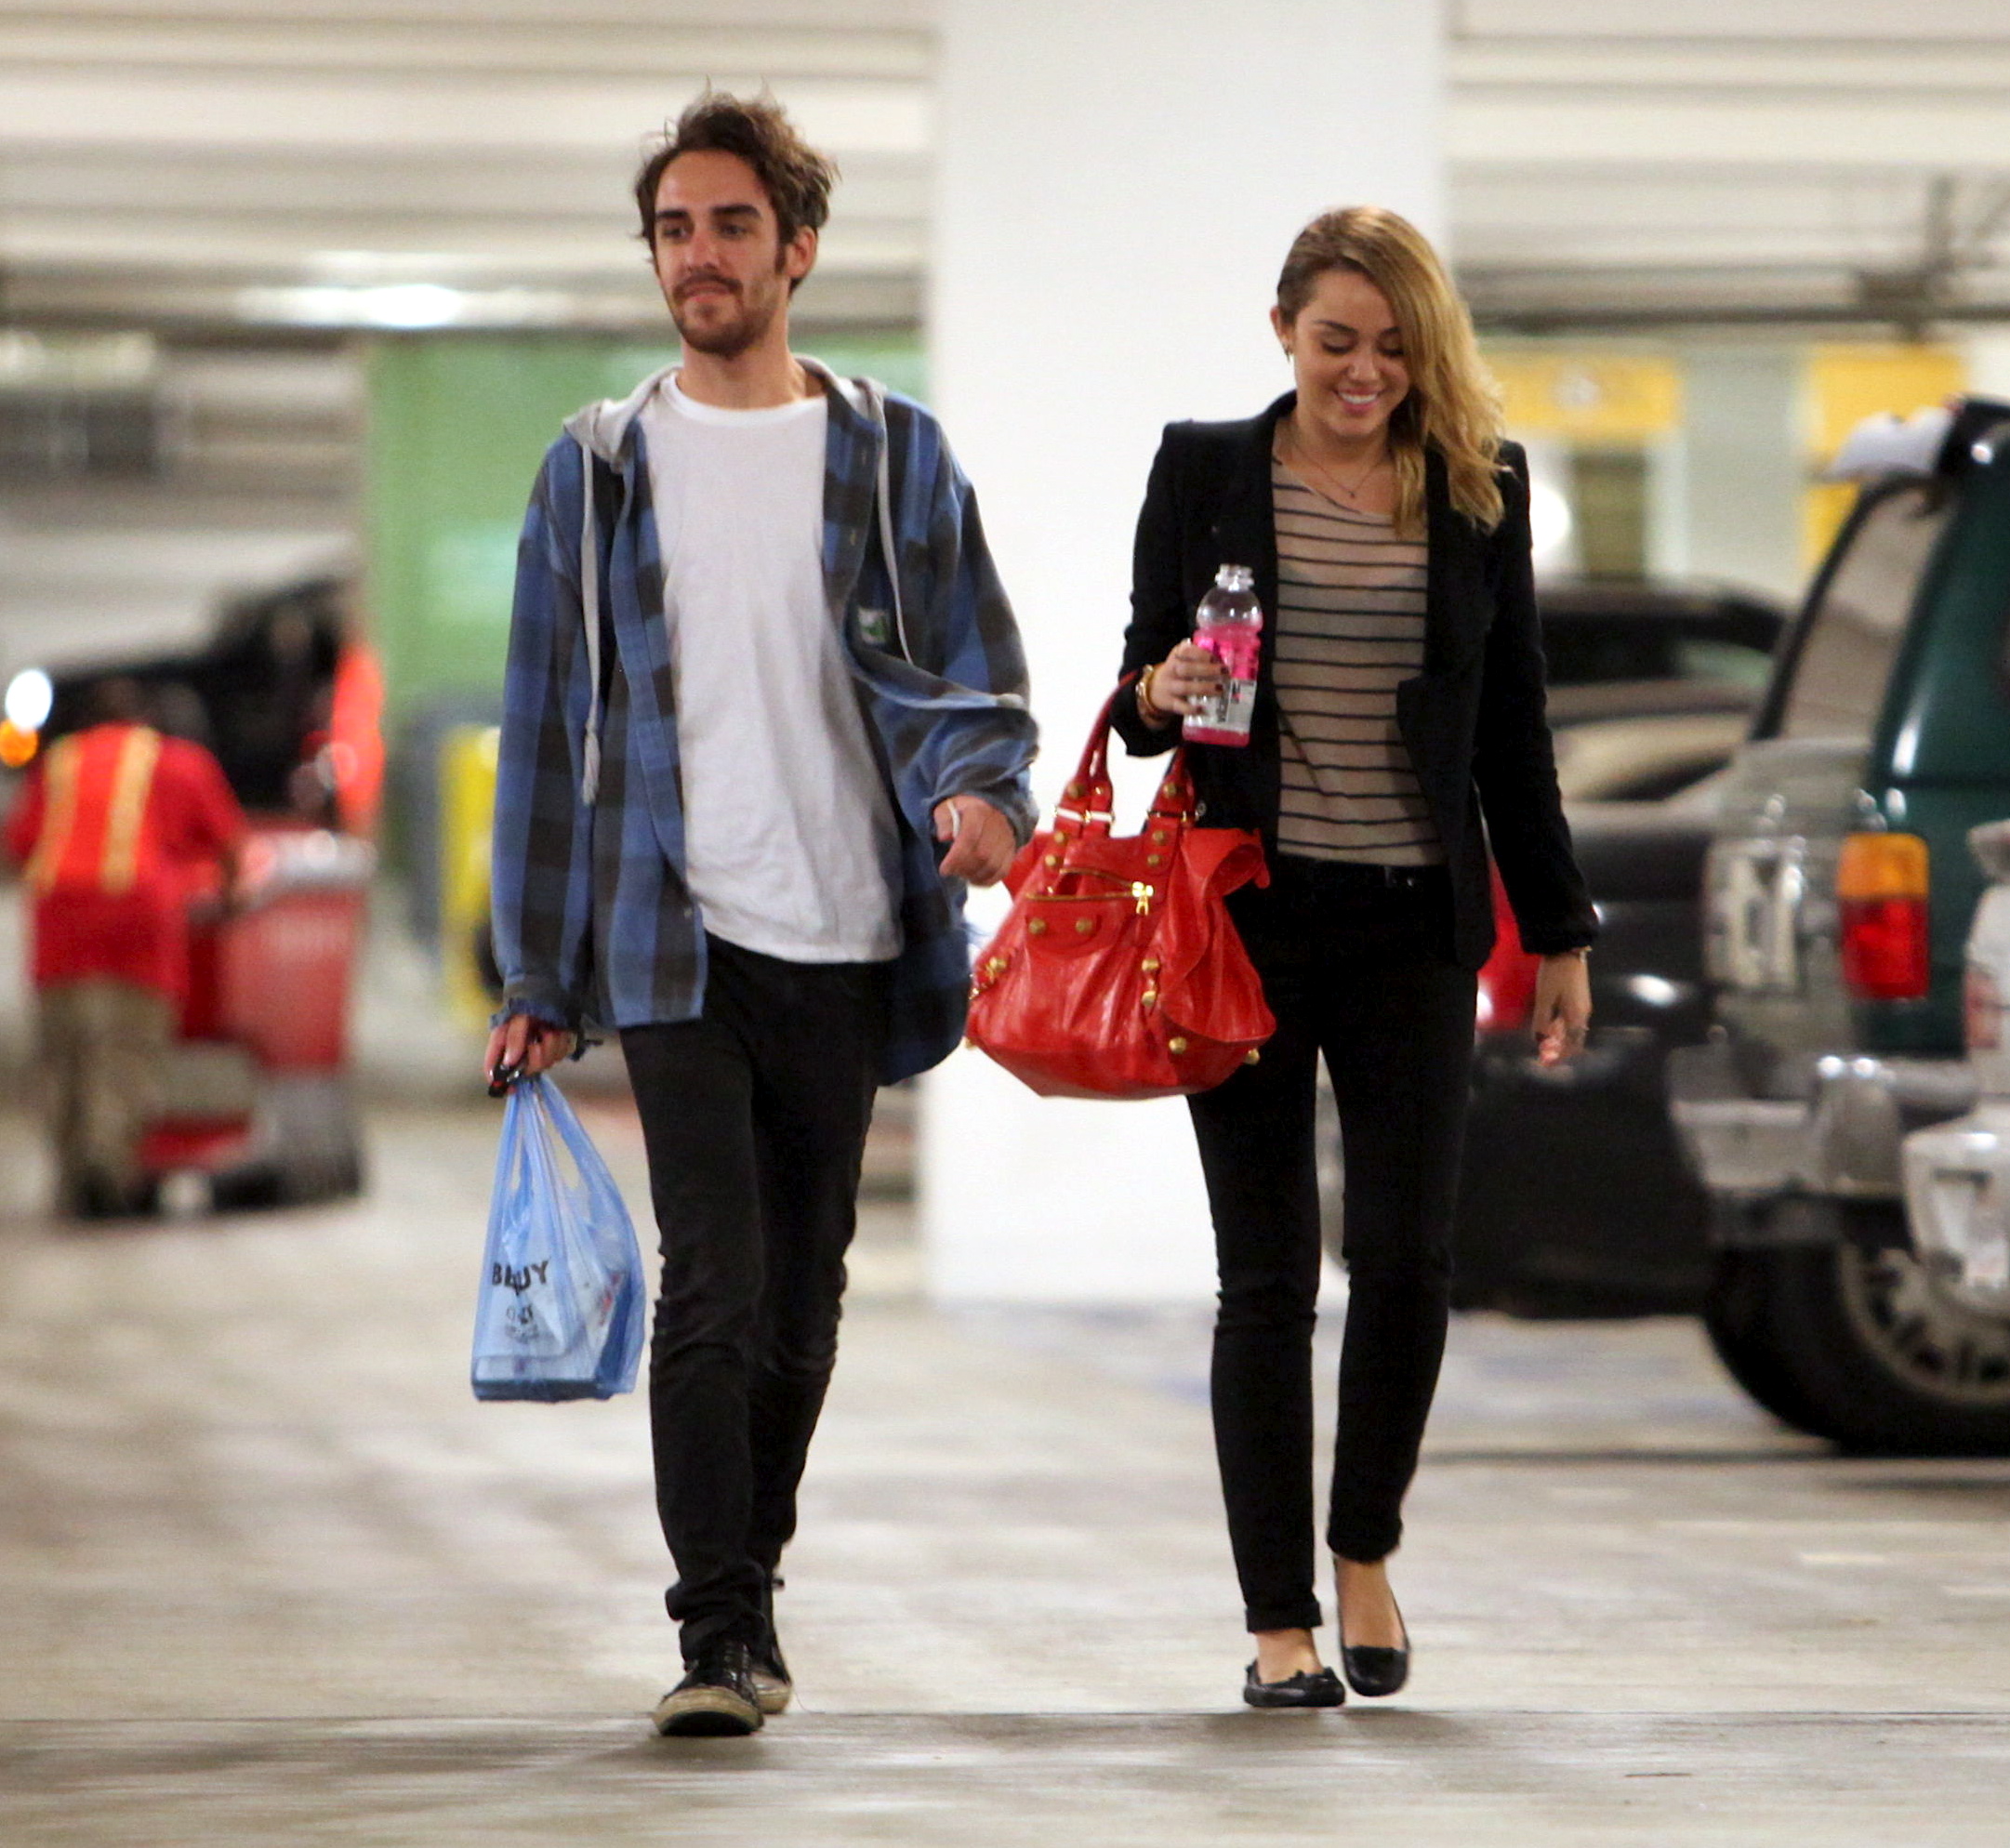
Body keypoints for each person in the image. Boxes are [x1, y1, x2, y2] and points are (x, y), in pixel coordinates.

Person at [484, 91, 1038, 1738]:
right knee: (712, 1282)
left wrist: (979, 794)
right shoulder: (596, 471)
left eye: (731, 225)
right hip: (673, 938)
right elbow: (545, 728)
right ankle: (715, 1629)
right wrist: (536, 969)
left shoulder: (892, 454)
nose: (699, 256)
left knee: (803, 1303)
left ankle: (754, 1577)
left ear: (795, 249)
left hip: (850, 928)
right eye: (674, 229)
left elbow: (971, 670)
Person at [1113, 206, 1595, 1709]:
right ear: (1283, 333)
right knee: (1264, 1278)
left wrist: (1557, 927)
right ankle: (1277, 1623)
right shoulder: (1204, 468)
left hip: (1410, 924)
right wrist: (1158, 690)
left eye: (1392, 345)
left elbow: (1510, 723)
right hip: (1247, 919)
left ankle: (1363, 1546)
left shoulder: (1476, 486)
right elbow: (1140, 694)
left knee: (1404, 1259)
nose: (1364, 371)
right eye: (1335, 341)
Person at [4, 677, 245, 1217]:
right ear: (147, 722)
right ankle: (107, 1173)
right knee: (125, 1051)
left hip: (60, 926)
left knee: (67, 1054)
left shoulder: (58, 763)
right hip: (138, 926)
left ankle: (73, 1177)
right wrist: (231, 899)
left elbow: (19, 848)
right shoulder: (180, 763)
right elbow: (229, 845)